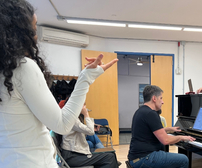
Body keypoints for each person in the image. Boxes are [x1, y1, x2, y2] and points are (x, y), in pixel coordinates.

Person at [0, 0, 118, 167]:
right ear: (15, 33)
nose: (36, 36)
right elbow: (62, 124)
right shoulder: (22, 68)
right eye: (33, 29)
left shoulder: (5, 73)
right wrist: (85, 78)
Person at [128, 85, 195, 168]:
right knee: (184, 159)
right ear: (154, 99)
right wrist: (182, 137)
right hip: (145, 158)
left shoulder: (141, 111)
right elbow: (165, 140)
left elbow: (151, 130)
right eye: (161, 98)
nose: (162, 102)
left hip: (136, 158)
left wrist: (169, 129)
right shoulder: (151, 114)